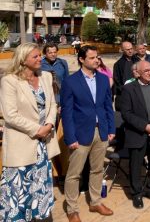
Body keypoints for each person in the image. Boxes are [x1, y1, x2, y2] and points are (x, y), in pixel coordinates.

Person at [0, 43, 60, 221]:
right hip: (21, 146)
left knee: (38, 191)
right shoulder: (9, 81)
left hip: (43, 146)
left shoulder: (46, 77)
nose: (40, 58)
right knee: (17, 195)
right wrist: (37, 130)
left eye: (39, 55)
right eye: (35, 56)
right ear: (23, 60)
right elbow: (10, 115)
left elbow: (52, 105)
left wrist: (48, 125)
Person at [61, 45, 115, 222]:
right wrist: (70, 137)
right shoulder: (71, 81)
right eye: (92, 58)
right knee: (74, 173)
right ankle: (72, 209)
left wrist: (111, 129)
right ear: (82, 60)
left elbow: (108, 105)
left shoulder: (102, 79)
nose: (96, 60)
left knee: (98, 169)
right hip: (80, 134)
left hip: (101, 132)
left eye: (97, 57)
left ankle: (95, 201)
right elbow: (67, 112)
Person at [120, 60, 150, 209]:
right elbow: (126, 114)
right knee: (136, 166)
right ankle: (136, 194)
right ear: (138, 73)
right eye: (146, 70)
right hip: (138, 133)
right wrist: (145, 126)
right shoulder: (129, 89)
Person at [113, 41, 138, 111]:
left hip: (139, 94)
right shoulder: (118, 64)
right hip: (125, 95)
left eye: (131, 49)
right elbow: (117, 81)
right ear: (122, 50)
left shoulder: (138, 61)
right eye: (127, 49)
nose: (130, 51)